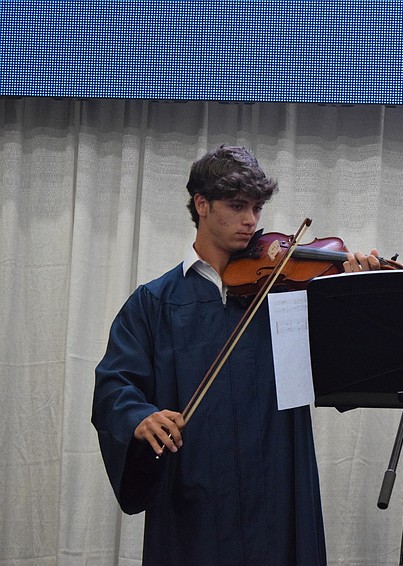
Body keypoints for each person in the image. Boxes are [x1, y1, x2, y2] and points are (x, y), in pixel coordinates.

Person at [91, 145, 380, 565]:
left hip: (277, 490)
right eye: (237, 206)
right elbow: (114, 384)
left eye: (257, 208)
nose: (251, 221)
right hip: (193, 492)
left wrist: (353, 297)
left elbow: (340, 371)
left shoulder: (284, 294)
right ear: (202, 205)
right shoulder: (155, 303)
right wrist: (140, 417)